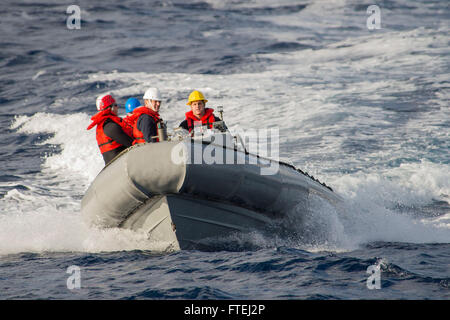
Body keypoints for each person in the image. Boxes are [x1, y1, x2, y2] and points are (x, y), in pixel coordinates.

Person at [87, 94, 134, 165]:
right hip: (120, 164)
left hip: (110, 165)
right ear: (110, 108)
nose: (117, 107)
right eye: (115, 105)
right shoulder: (111, 126)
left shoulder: (102, 126)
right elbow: (131, 143)